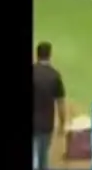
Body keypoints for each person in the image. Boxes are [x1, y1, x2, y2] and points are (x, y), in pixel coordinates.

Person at [33, 41, 66, 170]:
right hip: (46, 123)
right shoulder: (54, 76)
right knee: (42, 157)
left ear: (37, 55)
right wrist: (62, 124)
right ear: (49, 55)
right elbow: (60, 102)